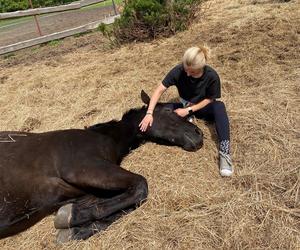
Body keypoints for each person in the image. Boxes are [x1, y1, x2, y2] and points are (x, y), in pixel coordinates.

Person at [139, 46, 233, 177]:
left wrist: (188, 110)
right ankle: (154, 105)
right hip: (184, 104)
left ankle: (225, 153)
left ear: (201, 68)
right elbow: (160, 89)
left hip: (201, 107)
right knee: (161, 109)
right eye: (186, 70)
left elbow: (210, 99)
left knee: (219, 106)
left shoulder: (212, 76)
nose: (188, 74)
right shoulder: (178, 70)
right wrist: (149, 113)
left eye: (192, 72)